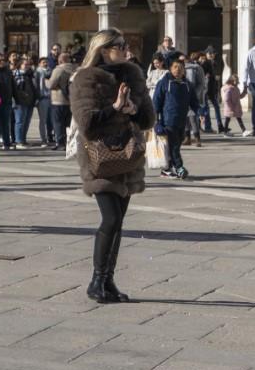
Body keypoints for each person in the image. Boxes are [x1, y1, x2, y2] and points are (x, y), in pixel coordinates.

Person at [71, 28, 155, 303]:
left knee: (118, 222)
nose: (125, 49)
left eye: (125, 44)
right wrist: (116, 108)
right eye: (119, 45)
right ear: (103, 49)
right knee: (111, 218)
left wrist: (133, 110)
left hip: (127, 157)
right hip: (100, 157)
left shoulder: (132, 75)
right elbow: (87, 124)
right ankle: (96, 281)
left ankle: (108, 280)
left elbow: (148, 119)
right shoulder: (85, 79)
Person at [153, 57, 195, 179]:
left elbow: (194, 101)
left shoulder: (187, 84)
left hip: (182, 120)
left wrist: (200, 111)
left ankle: (166, 169)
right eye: (175, 67)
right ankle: (179, 168)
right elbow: (156, 102)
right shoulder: (164, 83)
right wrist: (156, 120)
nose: (178, 70)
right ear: (170, 69)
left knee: (176, 144)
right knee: (174, 146)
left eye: (181, 68)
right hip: (168, 120)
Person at [46, 49, 76, 151]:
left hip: (58, 100)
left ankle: (60, 143)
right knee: (68, 123)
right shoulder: (75, 69)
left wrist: (46, 80)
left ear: (60, 61)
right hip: (71, 100)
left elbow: (51, 85)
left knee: (58, 122)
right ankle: (69, 143)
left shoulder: (58, 70)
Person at [12, 55, 40, 148]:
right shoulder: (15, 73)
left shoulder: (30, 74)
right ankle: (18, 141)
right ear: (20, 65)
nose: (27, 66)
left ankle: (23, 140)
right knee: (19, 121)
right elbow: (14, 89)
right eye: (25, 64)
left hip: (30, 101)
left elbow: (34, 87)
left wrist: (36, 98)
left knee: (26, 122)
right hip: (20, 102)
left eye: (28, 64)